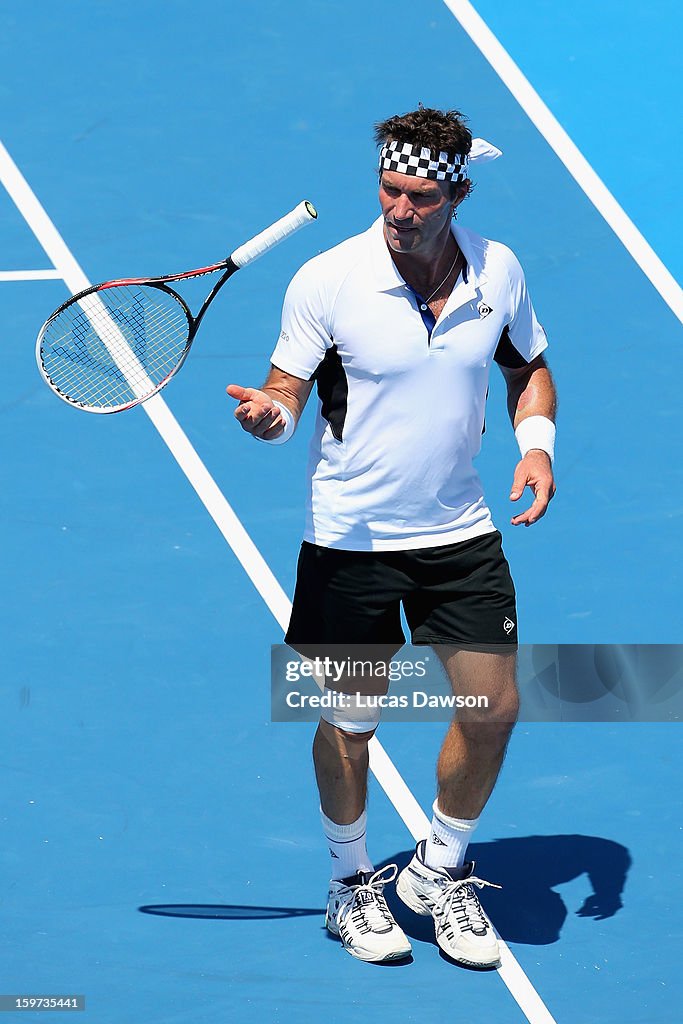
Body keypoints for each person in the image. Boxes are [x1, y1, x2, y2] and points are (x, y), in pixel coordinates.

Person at [227, 107, 557, 967]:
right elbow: (285, 390)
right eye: (388, 190)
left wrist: (535, 447)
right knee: (352, 719)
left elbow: (526, 366)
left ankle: (437, 872)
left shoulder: (500, 269)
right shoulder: (327, 280)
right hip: (350, 540)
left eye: (418, 194)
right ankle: (349, 887)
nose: (399, 209)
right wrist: (269, 416)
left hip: (460, 531)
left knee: (493, 710)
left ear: (456, 191)